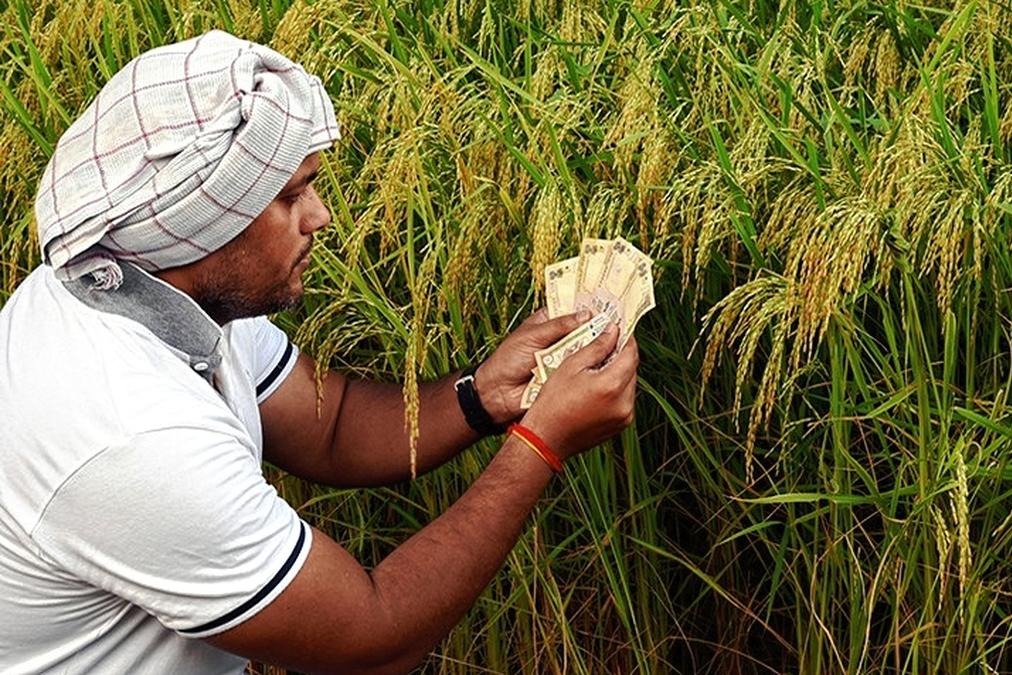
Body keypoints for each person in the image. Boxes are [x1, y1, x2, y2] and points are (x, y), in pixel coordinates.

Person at [0, 31, 638, 674]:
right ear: (206, 222)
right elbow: (374, 639)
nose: (321, 215)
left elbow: (329, 427)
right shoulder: (129, 432)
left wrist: (483, 396)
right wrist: (541, 443)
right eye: (289, 197)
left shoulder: (154, 282)